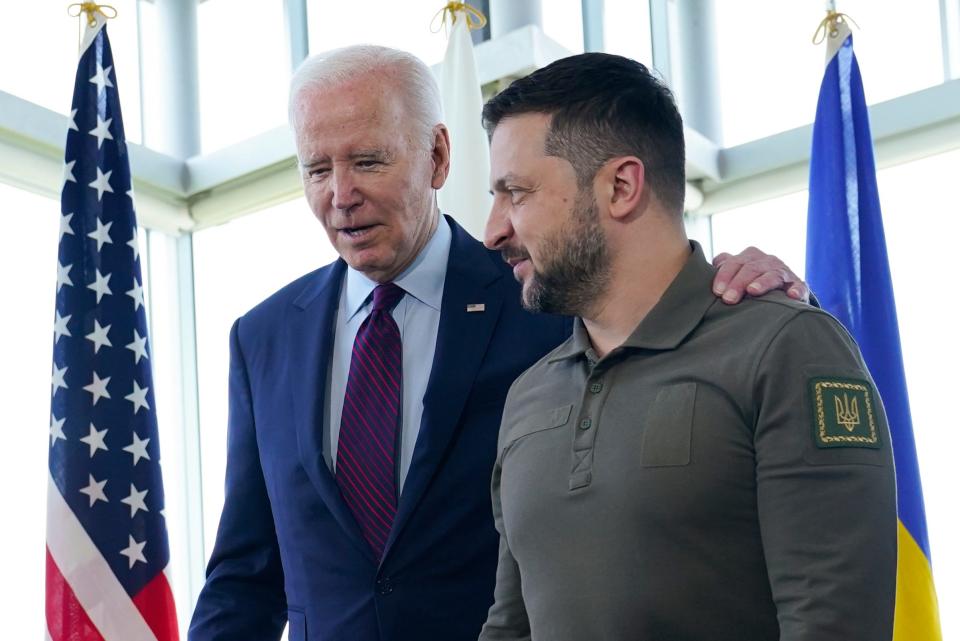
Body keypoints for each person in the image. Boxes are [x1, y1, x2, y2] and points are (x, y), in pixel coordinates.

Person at [188, 45, 811, 641]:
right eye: (317, 170)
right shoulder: (263, 337)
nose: (340, 194)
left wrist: (745, 283)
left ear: (436, 156)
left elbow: (658, 302)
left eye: (368, 161)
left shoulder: (548, 295)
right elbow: (247, 572)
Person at [478, 52, 897, 641]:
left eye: (515, 193)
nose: (492, 229)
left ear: (621, 186)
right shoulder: (529, 392)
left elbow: (834, 624)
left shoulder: (786, 348)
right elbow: (510, 625)